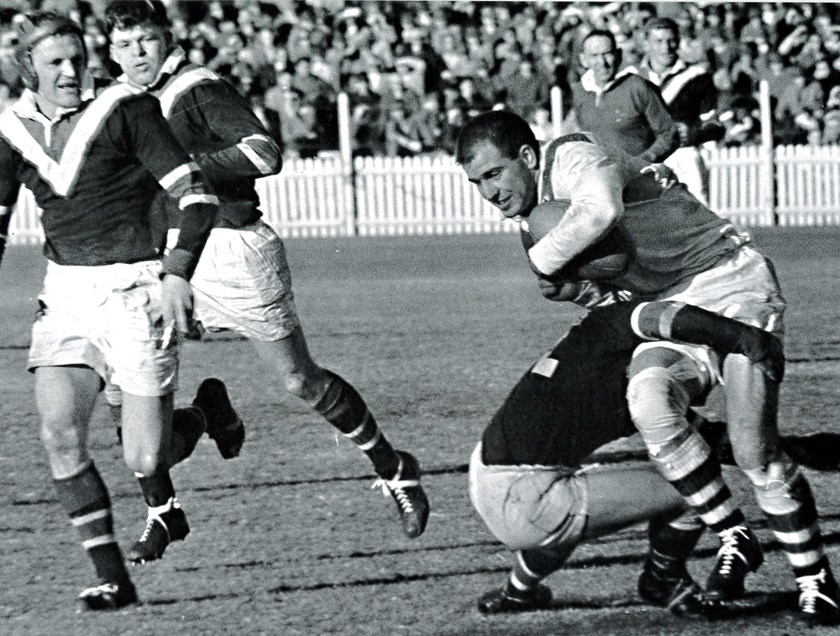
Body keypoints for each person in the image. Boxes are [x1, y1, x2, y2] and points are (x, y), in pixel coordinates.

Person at [455, 110, 840, 625]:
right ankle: (732, 534)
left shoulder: (571, 157)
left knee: (754, 450)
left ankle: (815, 579)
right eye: (476, 182)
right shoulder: (536, 218)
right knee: (648, 399)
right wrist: (578, 287)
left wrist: (545, 264)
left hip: (729, 280)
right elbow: (608, 292)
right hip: (669, 304)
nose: (488, 192)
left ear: (527, 157)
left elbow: (600, 212)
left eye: (493, 174)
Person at [103, 0, 429, 565]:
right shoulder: (122, 105)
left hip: (230, 247)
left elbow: (263, 151)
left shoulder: (198, 90)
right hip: (159, 259)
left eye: (146, 42)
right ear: (110, 50)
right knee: (123, 394)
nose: (136, 55)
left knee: (300, 382)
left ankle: (394, 468)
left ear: (166, 40)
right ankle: (164, 507)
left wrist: (183, 165)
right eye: (125, 45)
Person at [0, 11, 220, 610]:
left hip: (135, 291)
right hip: (67, 295)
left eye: (77, 59)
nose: (71, 71)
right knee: (58, 434)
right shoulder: (11, 129)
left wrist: (177, 274)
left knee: (146, 457)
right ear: (28, 69)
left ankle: (202, 416)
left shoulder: (127, 109)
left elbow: (196, 196)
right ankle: (112, 578)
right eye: (55, 63)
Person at [471, 298, 784, 616]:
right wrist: (745, 337)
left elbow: (695, 434)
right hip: (525, 495)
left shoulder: (590, 350)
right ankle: (664, 580)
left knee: (565, 515)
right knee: (694, 487)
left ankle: (518, 593)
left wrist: (785, 450)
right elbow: (663, 318)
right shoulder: (618, 338)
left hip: (488, 474)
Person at [627, 17, 725, 205]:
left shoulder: (697, 77)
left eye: (671, 40)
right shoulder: (630, 78)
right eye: (659, 41)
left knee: (696, 215)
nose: (666, 47)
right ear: (646, 43)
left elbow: (715, 125)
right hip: (643, 156)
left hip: (684, 155)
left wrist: (694, 134)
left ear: (678, 41)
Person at [571, 29, 678, 162]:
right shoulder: (580, 92)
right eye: (594, 56)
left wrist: (643, 161)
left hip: (639, 175)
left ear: (619, 55)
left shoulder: (638, 87)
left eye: (607, 54)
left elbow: (669, 133)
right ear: (583, 60)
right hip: (601, 177)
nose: (602, 62)